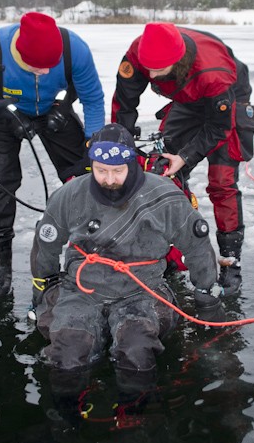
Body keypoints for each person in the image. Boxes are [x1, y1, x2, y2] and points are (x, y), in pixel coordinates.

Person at [30, 123, 221, 379]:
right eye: (101, 171)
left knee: (137, 355)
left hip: (142, 290)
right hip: (81, 290)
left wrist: (206, 294)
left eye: (117, 171)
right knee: (68, 359)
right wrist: (43, 289)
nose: (109, 179)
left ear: (131, 163)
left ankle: (136, 413)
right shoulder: (68, 195)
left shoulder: (165, 196)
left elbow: (196, 244)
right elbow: (46, 244)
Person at [0, 11, 105, 298]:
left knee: (85, 174)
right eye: (36, 67)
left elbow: (93, 99)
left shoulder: (74, 49)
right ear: (19, 53)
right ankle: (0, 267)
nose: (44, 73)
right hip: (2, 112)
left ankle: (91, 247)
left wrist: (95, 145)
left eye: (50, 67)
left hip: (53, 110)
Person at [111, 22, 254, 297]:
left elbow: (219, 127)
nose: (152, 75)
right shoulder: (137, 55)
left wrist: (186, 156)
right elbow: (124, 103)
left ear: (178, 60)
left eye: (159, 70)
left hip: (226, 100)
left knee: (221, 182)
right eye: (149, 69)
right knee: (163, 171)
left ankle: (230, 262)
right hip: (187, 100)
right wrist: (121, 147)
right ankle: (169, 250)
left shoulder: (213, 73)